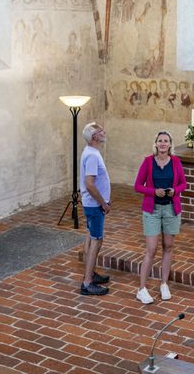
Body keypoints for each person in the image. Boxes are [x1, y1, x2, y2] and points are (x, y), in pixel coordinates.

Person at [132, 130, 187, 304]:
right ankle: (141, 289)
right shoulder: (148, 162)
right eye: (160, 141)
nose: (163, 143)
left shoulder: (176, 162)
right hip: (152, 210)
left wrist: (175, 191)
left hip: (171, 209)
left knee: (168, 247)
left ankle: (164, 283)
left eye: (166, 141)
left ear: (170, 144)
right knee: (152, 249)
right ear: (156, 144)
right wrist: (153, 191)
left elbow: (183, 184)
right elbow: (137, 186)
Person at [79, 121, 112, 295]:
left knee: (90, 237)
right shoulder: (92, 155)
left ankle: (89, 273)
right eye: (101, 131)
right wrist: (103, 203)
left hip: (91, 205)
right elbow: (90, 184)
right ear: (94, 137)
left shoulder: (91, 152)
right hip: (95, 205)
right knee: (96, 240)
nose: (104, 132)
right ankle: (87, 283)